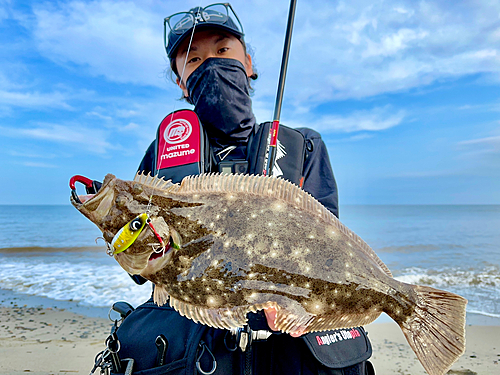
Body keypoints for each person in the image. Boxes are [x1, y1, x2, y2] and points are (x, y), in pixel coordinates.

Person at [114, 3, 375, 374]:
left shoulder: (303, 146)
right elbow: (145, 268)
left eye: (222, 51)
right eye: (193, 60)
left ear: (248, 62)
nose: (210, 64)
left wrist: (284, 301)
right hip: (200, 343)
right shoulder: (161, 154)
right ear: (180, 81)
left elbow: (329, 247)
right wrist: (129, 243)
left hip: (291, 344)